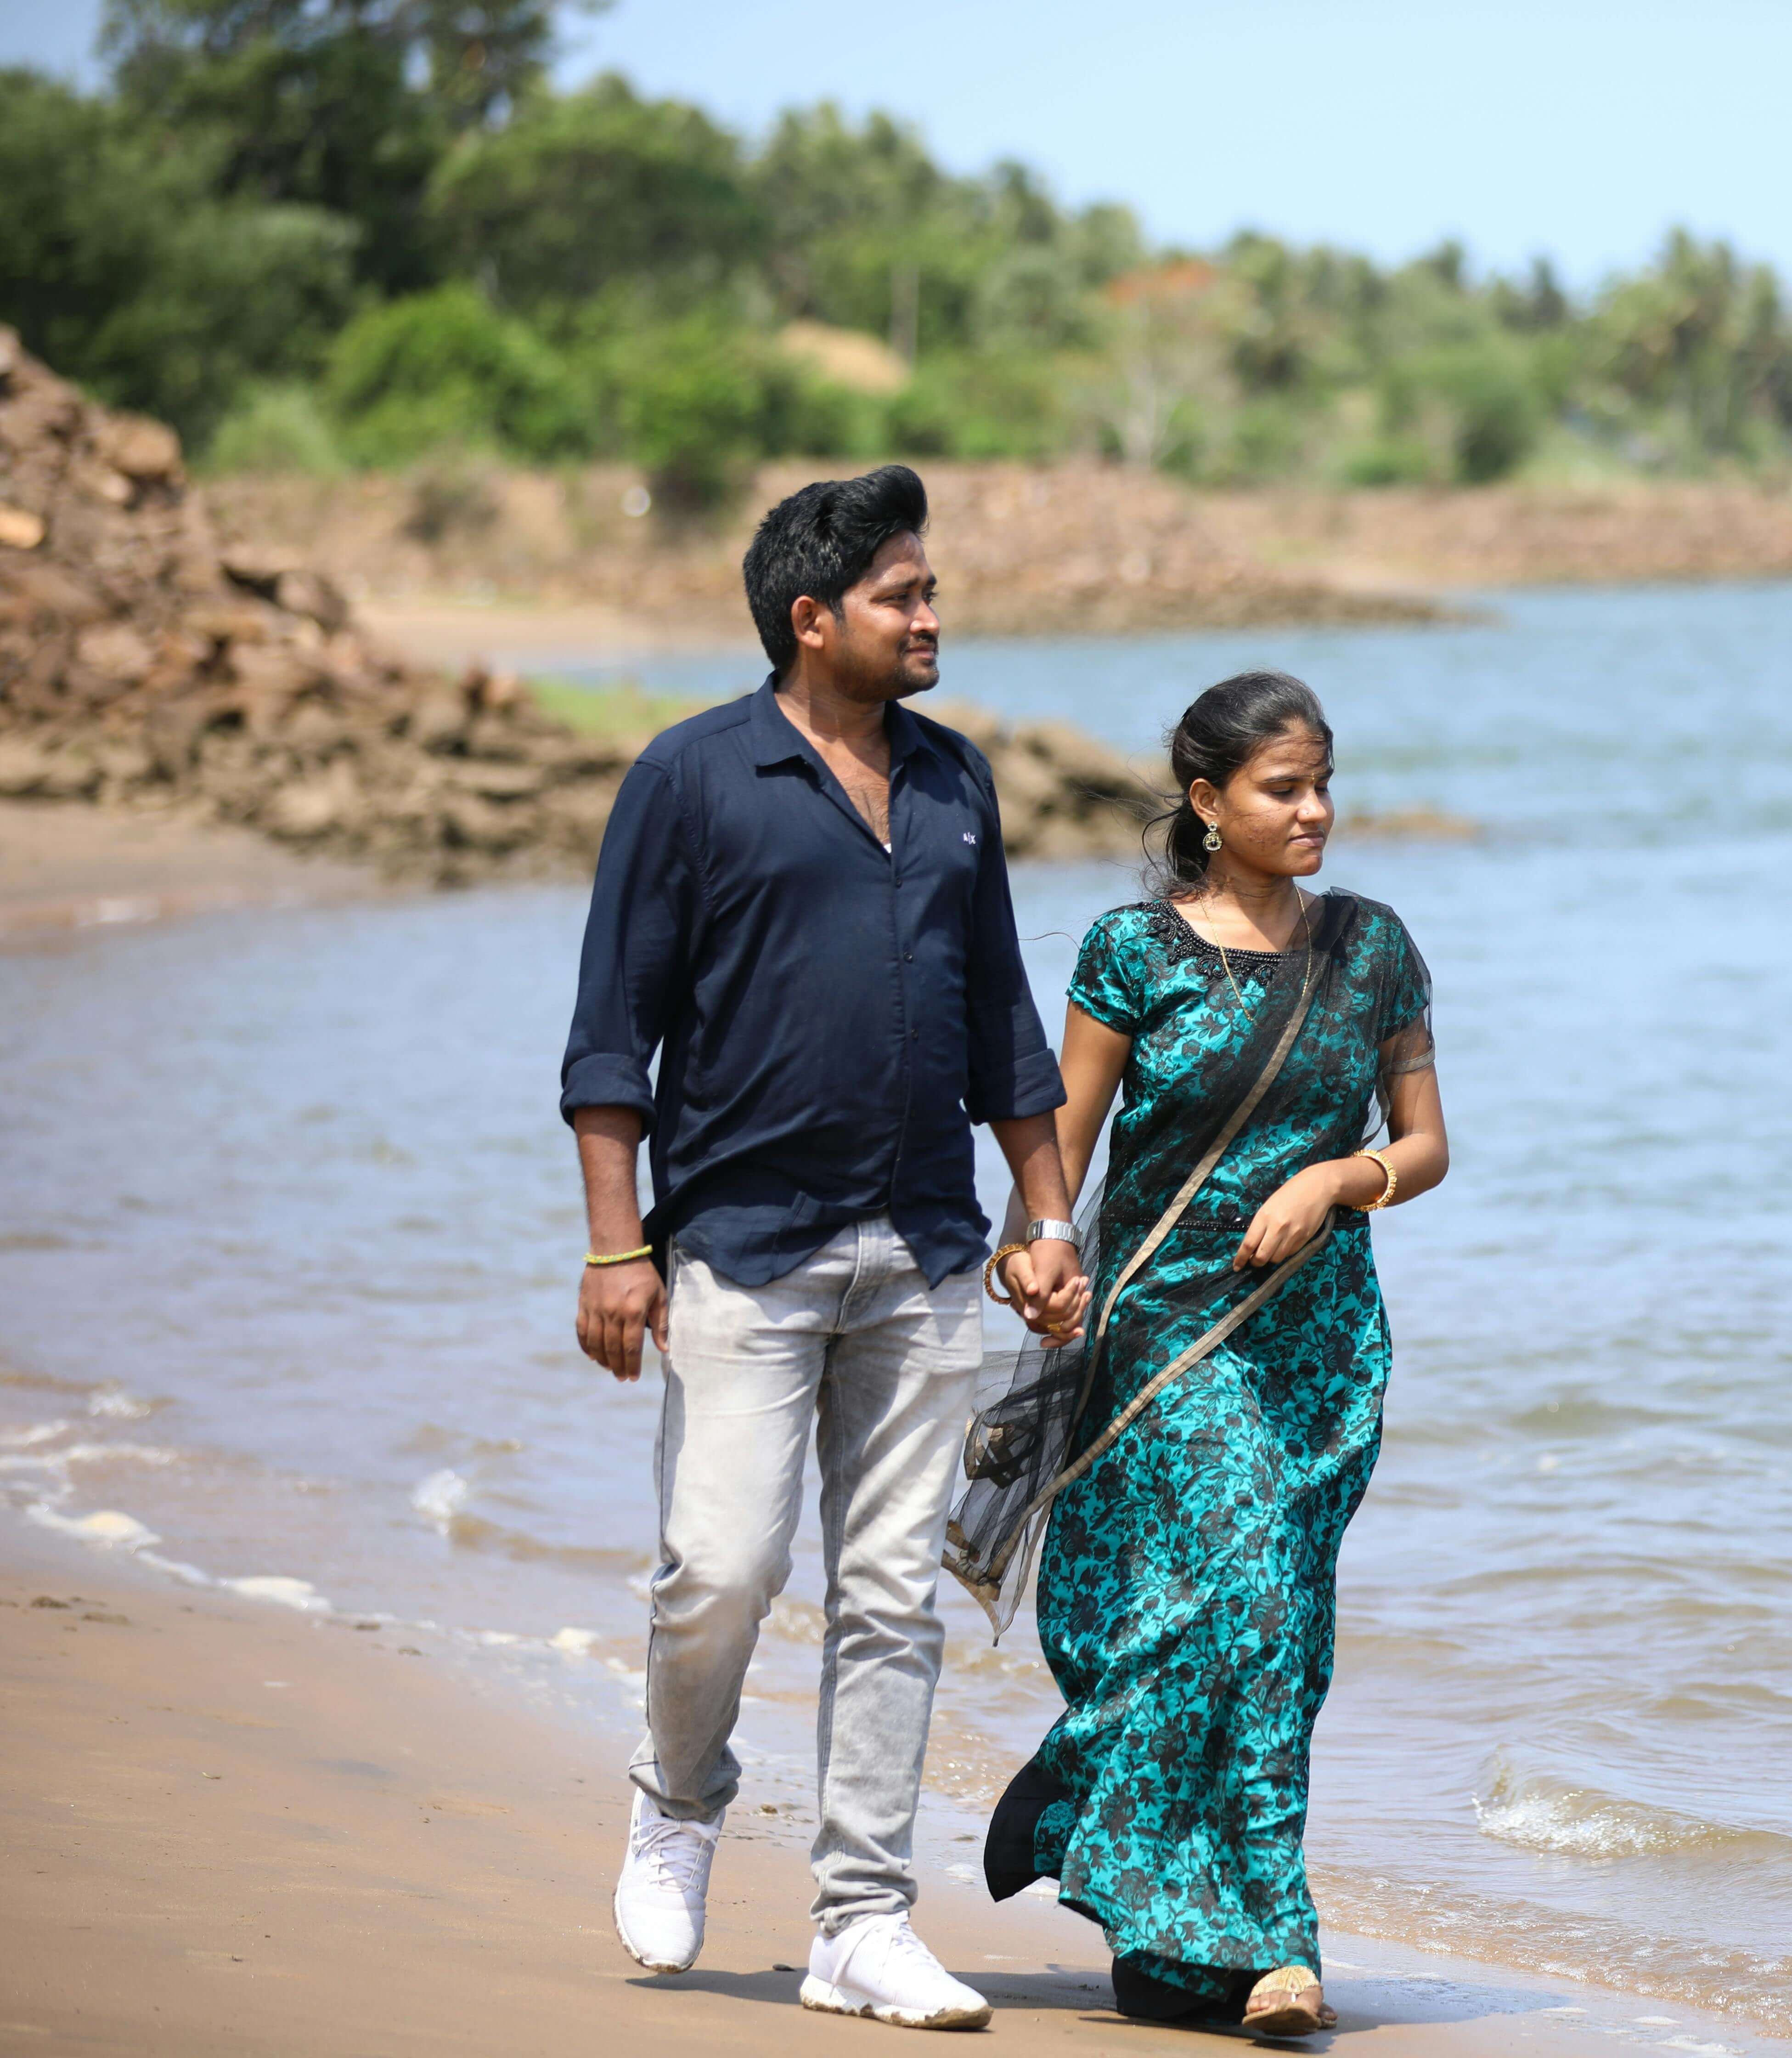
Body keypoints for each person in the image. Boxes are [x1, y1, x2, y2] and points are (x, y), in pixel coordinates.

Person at [559, 464, 1087, 2030]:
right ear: (813, 618)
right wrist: (614, 1250)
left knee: (892, 1596)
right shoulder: (691, 778)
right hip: (741, 1246)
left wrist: (1045, 1217)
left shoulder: (953, 783)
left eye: (928, 590)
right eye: (902, 595)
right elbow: (612, 1035)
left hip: (925, 1250)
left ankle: (861, 1919)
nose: (933, 615)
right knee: (718, 1570)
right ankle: (679, 1789)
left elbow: (1003, 1015)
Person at [957, 670, 1449, 2041]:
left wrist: (1345, 1179)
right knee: (1240, 1586)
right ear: (1207, 802)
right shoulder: (1136, 951)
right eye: (1282, 790)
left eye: (1323, 785)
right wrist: (1033, 1249)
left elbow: (1427, 1145)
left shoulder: (1375, 949)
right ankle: (1281, 1943)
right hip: (1170, 1323)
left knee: (1280, 1630)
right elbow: (1053, 1140)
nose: (1315, 812)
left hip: (1326, 1340)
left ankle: (1165, 1920)